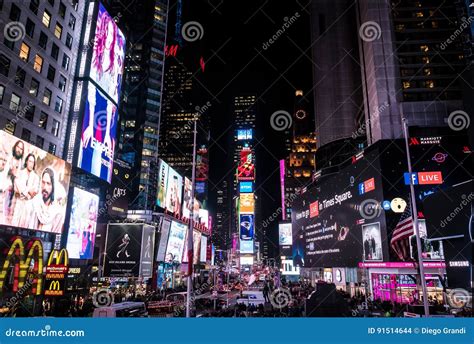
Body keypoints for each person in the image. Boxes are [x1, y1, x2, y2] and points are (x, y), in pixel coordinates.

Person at [31, 168, 64, 232]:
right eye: (43, 182)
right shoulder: (34, 203)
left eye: (48, 183)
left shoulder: (57, 213)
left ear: (53, 186)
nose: (45, 187)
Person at [11, 153, 40, 229]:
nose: (31, 164)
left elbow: (34, 192)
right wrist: (28, 191)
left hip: (28, 206)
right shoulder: (20, 173)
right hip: (18, 204)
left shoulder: (36, 177)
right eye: (30, 161)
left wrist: (22, 191)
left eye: (33, 162)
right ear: (26, 162)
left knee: (25, 226)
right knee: (14, 225)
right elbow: (16, 189)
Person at [5, 140, 24, 223]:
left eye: (21, 148)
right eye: (18, 147)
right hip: (5, 190)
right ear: (15, 147)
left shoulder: (22, 165)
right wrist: (11, 171)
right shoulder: (8, 158)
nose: (19, 150)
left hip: (15, 195)